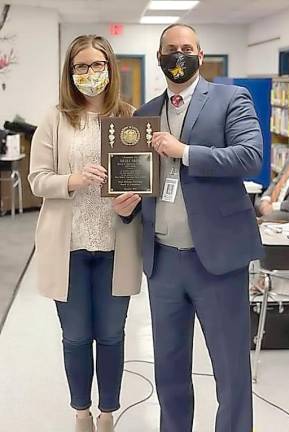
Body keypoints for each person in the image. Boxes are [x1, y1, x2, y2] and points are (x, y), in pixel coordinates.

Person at [113, 23, 263, 432]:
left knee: (230, 371)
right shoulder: (144, 115)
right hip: (163, 263)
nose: (177, 55)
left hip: (216, 262)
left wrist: (186, 152)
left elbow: (250, 156)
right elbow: (137, 185)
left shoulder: (231, 100)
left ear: (200, 55)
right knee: (170, 372)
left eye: (186, 48)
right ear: (159, 56)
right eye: (170, 49)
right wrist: (125, 207)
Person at [28, 35, 142, 432]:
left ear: (110, 68)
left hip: (116, 244)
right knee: (76, 337)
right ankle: (81, 412)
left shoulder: (129, 117)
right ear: (69, 72)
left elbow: (141, 183)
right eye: (81, 66)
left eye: (97, 65)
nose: (89, 74)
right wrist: (72, 179)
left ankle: (108, 412)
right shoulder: (55, 118)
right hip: (70, 246)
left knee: (111, 335)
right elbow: (37, 181)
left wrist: (133, 204)